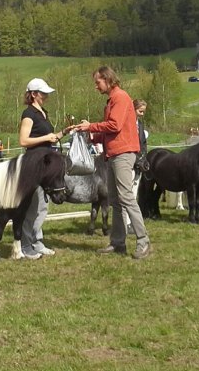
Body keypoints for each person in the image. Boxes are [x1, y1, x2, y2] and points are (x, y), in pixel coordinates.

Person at [72, 66, 151, 259]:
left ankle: (143, 241)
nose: (96, 87)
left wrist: (90, 125)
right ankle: (117, 243)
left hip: (123, 154)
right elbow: (112, 130)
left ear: (107, 79)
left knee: (126, 198)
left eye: (97, 82)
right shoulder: (111, 101)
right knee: (115, 201)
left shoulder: (121, 98)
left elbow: (114, 125)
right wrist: (90, 136)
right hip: (113, 154)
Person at [19, 77, 69, 259]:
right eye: (43, 93)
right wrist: (46, 138)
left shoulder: (43, 113)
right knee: (32, 207)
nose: (46, 96)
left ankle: (37, 241)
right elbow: (23, 140)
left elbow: (49, 137)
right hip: (33, 165)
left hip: (45, 166)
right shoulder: (28, 114)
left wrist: (63, 132)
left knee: (42, 207)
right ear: (33, 94)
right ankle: (25, 245)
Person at [123, 99, 148, 234]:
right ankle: (125, 222)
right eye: (140, 111)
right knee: (127, 195)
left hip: (138, 164)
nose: (142, 114)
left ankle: (131, 222)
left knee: (134, 193)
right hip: (129, 162)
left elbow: (143, 143)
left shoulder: (141, 124)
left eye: (143, 112)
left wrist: (143, 158)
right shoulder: (127, 123)